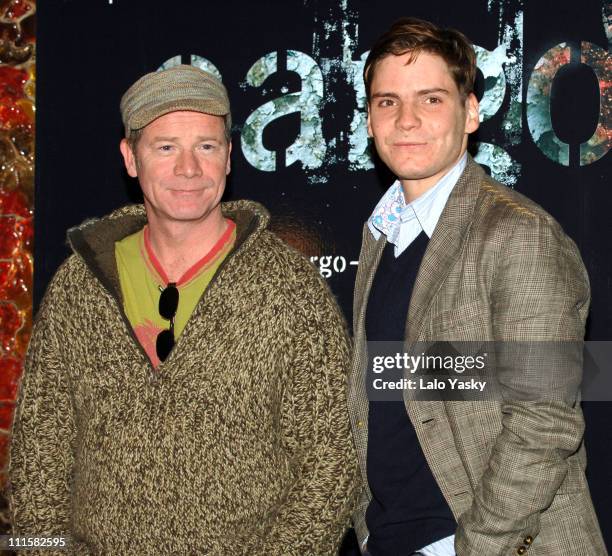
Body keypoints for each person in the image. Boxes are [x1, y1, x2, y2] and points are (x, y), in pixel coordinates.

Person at [9, 64, 358, 554]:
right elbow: (35, 459)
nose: (189, 169)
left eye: (207, 146)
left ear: (230, 157)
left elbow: (333, 461)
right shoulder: (79, 286)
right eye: (166, 147)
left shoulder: (290, 290)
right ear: (131, 158)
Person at [348, 18, 607, 556]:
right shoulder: (381, 232)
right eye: (387, 102)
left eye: (431, 99)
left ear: (471, 112)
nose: (407, 120)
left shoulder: (519, 235)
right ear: (370, 120)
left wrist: (476, 545)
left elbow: (544, 422)